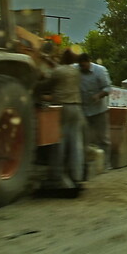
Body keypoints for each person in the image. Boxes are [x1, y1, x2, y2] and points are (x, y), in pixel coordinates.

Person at [38, 49, 85, 190]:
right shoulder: (76, 72)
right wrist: (50, 60)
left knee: (59, 142)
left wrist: (34, 86)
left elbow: (47, 84)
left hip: (62, 108)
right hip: (76, 108)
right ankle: (77, 175)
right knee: (76, 143)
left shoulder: (58, 71)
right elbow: (61, 70)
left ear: (62, 58)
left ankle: (56, 176)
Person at [77, 53, 113, 169]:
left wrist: (99, 96)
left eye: (84, 65)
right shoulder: (75, 69)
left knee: (103, 138)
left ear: (89, 61)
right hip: (83, 110)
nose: (82, 68)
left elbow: (108, 88)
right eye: (80, 66)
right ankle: (88, 163)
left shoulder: (100, 70)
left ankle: (106, 163)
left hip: (99, 110)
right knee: (84, 138)